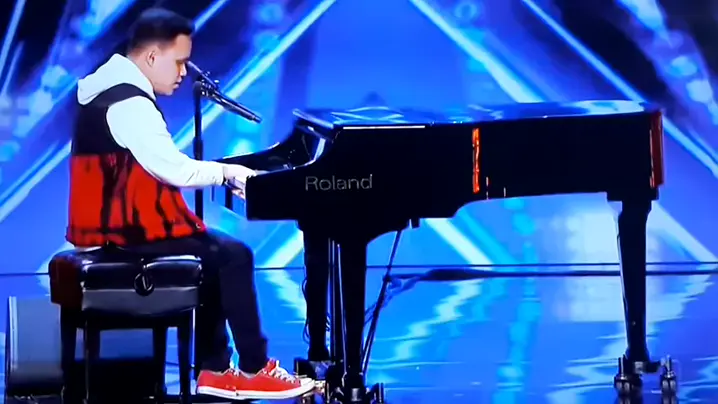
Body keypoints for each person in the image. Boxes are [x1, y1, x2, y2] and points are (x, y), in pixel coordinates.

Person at [66, 7, 315, 401]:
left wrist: (222, 172)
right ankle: (253, 368)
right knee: (234, 254)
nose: (184, 72)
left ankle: (215, 370)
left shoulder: (108, 85)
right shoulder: (129, 103)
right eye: (179, 62)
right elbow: (174, 170)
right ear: (152, 56)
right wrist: (226, 172)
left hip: (110, 223)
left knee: (215, 252)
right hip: (122, 230)